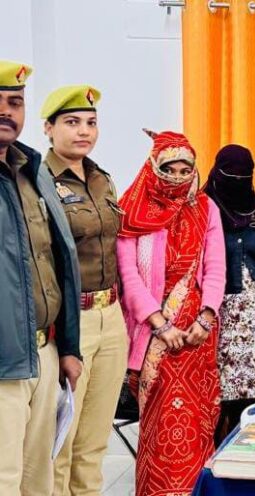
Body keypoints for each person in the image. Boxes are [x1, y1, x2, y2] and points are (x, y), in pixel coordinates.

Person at [117, 129, 225, 495]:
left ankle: (196, 490)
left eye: (185, 170)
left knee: (198, 421)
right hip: (153, 336)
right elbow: (129, 275)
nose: (177, 178)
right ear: (154, 167)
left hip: (198, 336)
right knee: (160, 424)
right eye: (169, 169)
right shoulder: (132, 210)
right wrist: (160, 324)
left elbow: (216, 266)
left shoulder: (206, 207)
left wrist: (206, 317)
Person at [41, 85, 129, 495]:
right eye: (72, 122)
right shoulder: (39, 182)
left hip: (111, 316)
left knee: (94, 443)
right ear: (48, 128)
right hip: (70, 322)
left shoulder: (101, 179)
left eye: (91, 123)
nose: (84, 131)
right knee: (61, 442)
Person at [0, 61, 82, 495]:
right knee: (4, 478)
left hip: (43, 352)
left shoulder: (32, 170)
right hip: (3, 364)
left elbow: (58, 261)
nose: (6, 111)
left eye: (15, 102)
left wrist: (68, 347)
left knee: (39, 480)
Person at [204, 144, 255, 443]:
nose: (238, 182)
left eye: (244, 176)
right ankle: (214, 459)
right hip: (216, 315)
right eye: (231, 176)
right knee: (217, 397)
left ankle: (249, 457)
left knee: (253, 399)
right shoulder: (203, 209)